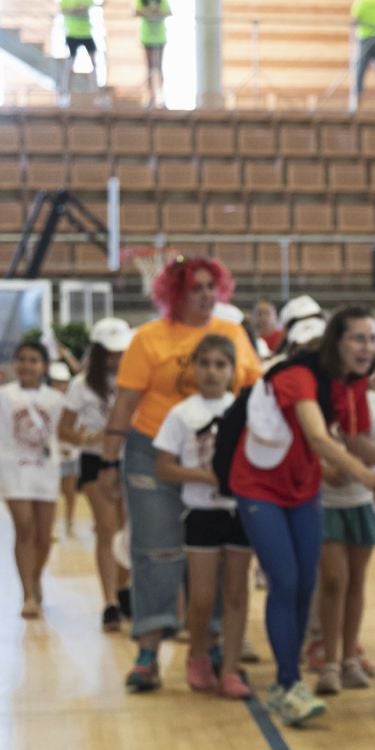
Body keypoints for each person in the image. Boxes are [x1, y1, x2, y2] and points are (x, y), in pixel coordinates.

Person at [100, 257, 261, 689]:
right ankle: (148, 651)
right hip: (153, 453)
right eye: (196, 288)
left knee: (209, 557)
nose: (207, 295)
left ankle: (207, 647)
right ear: (175, 294)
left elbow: (254, 398)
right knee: (156, 552)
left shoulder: (232, 333)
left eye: (212, 286)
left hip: (214, 461)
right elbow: (125, 404)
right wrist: (109, 460)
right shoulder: (149, 339)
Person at [228, 306, 375, 724]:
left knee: (305, 584)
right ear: (336, 341)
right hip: (259, 486)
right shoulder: (300, 375)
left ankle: (290, 680)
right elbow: (319, 436)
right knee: (285, 581)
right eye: (358, 338)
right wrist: (371, 482)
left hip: (303, 487)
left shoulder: (351, 386)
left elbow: (355, 440)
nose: (367, 347)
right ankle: (287, 683)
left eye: (373, 339)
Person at [151, 333, 253, 699]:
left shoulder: (244, 410)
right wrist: (207, 476)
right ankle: (197, 654)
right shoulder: (182, 413)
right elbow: (164, 467)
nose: (212, 372)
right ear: (194, 369)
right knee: (202, 596)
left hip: (238, 512)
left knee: (237, 592)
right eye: (205, 364)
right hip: (202, 512)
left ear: (232, 371)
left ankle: (229, 667)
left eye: (220, 365)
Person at [0, 339, 66, 618]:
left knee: (44, 537)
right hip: (14, 471)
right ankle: (28, 593)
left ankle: (36, 577)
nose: (27, 365)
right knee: (24, 528)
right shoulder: (3, 396)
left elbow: (67, 432)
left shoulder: (56, 400)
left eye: (33, 360)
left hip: (46, 472)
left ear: (44, 366)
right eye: (22, 359)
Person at [315, 357, 375, 697]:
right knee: (333, 580)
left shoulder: (370, 403)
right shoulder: (315, 401)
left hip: (362, 501)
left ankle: (349, 657)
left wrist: (359, 466)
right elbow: (306, 444)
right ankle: (328, 659)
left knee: (357, 580)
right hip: (326, 502)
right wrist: (324, 470)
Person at [59, 317, 132, 629]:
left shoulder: (135, 382)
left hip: (131, 461)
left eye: (121, 352)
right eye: (110, 352)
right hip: (94, 461)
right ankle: (109, 601)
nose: (116, 359)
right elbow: (64, 429)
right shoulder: (82, 385)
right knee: (106, 527)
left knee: (129, 530)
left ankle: (124, 588)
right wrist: (92, 437)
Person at [58, 0, 100, 93]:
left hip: (86, 33)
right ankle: (65, 90)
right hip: (73, 34)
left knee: (93, 61)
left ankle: (94, 89)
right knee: (70, 62)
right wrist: (76, 10)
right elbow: (63, 10)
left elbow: (94, 4)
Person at [134, 0, 171, 109]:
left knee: (159, 68)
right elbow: (136, 12)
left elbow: (168, 12)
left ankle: (161, 97)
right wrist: (149, 11)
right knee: (150, 68)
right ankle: (150, 97)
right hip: (147, 37)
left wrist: (157, 11)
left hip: (159, 36)